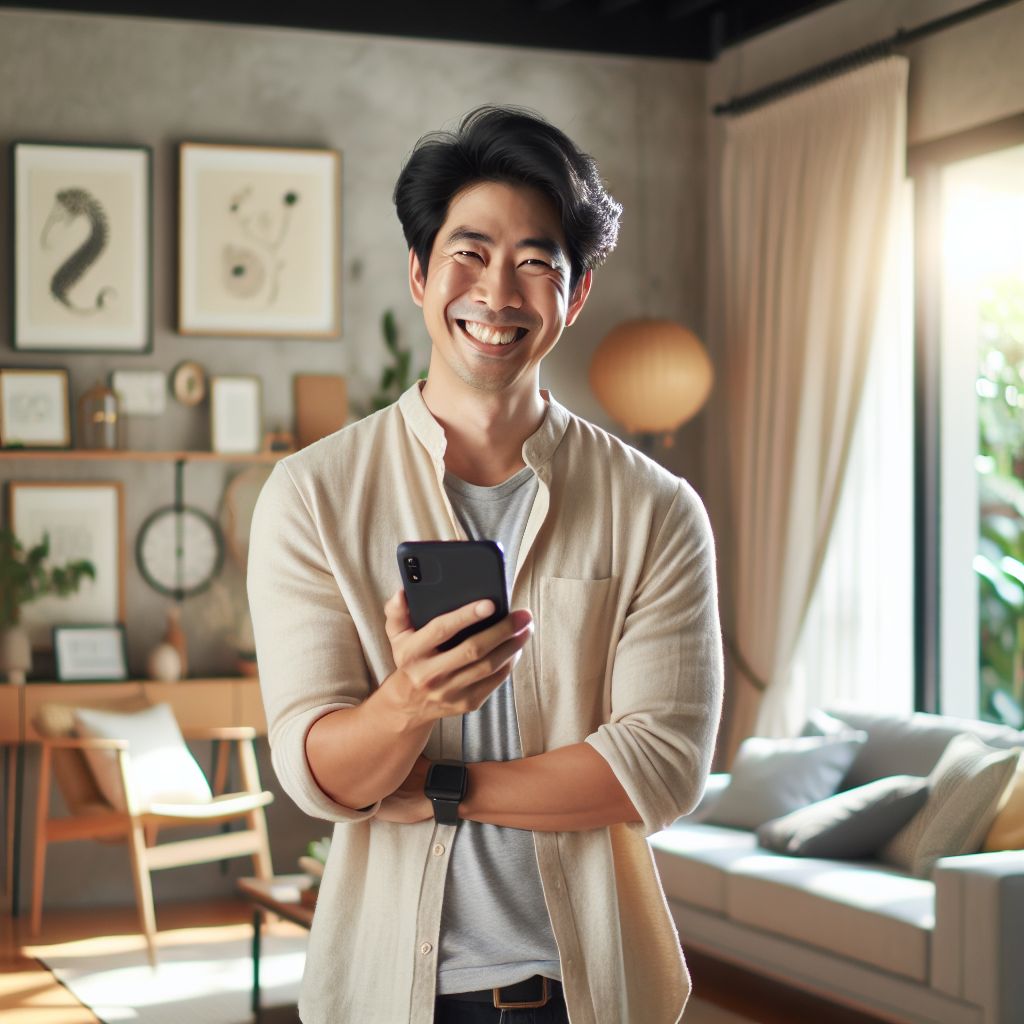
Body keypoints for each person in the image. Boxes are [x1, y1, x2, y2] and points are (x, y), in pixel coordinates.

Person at [248, 105, 723, 1024]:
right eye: (468, 253)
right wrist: (408, 703)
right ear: (421, 274)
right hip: (393, 991)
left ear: (575, 296)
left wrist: (436, 788)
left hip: (592, 990)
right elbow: (318, 775)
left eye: (537, 262)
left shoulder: (656, 508)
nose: (498, 292)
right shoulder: (312, 494)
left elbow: (659, 770)